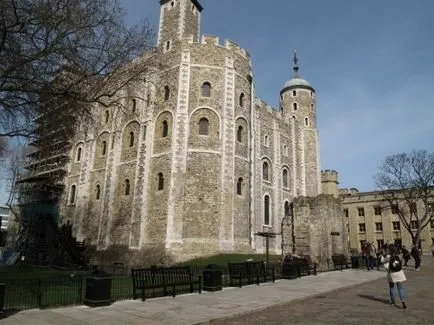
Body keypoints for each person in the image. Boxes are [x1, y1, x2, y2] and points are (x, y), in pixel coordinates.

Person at [381, 244, 407, 309]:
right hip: (399, 273)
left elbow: (382, 261)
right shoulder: (399, 256)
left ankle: (393, 302)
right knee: (400, 288)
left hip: (392, 273)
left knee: (391, 288)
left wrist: (382, 256)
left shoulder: (388, 257)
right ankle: (403, 301)